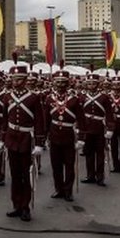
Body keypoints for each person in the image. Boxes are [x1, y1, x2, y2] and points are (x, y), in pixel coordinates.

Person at [1, 65, 46, 221]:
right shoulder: (8, 97)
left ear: (25, 80)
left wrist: (39, 143)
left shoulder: (34, 97)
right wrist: (3, 138)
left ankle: (25, 207)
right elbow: (5, 119)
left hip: (26, 138)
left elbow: (40, 121)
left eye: (19, 79)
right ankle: (16, 205)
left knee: (25, 175)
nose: (16, 82)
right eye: (13, 79)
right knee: (14, 175)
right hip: (12, 138)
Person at [45, 70, 83, 201]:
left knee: (69, 165)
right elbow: (46, 119)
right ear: (54, 83)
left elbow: (81, 120)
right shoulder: (49, 98)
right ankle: (58, 189)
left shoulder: (74, 100)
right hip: (54, 135)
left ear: (68, 84)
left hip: (68, 135)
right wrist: (43, 137)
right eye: (58, 82)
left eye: (63, 82)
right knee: (56, 165)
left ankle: (68, 191)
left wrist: (81, 138)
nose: (60, 84)